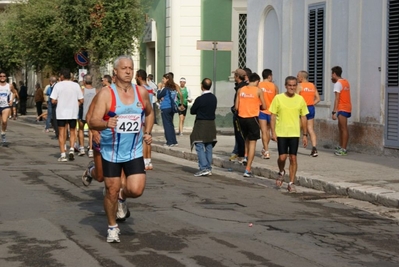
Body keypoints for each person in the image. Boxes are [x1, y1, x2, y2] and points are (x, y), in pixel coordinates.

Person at [88, 55, 154, 243]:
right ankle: (112, 226)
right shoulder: (106, 94)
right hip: (111, 151)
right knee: (111, 191)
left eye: (130, 68)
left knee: (136, 189)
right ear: (115, 72)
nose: (127, 71)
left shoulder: (141, 92)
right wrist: (106, 123)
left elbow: (149, 113)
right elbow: (93, 120)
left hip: (133, 150)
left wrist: (148, 131)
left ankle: (123, 197)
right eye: (124, 68)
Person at [269, 76, 309, 193]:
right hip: (281, 132)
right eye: (289, 85)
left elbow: (304, 117)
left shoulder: (300, 99)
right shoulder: (278, 98)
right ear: (286, 86)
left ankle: (291, 183)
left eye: (294, 85)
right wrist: (273, 132)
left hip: (294, 133)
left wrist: (305, 134)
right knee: (282, 157)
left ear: (296, 86)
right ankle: (281, 171)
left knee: (293, 158)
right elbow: (272, 116)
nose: (292, 87)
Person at [235, 73, 267, 177]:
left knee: (246, 139)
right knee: (253, 143)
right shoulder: (258, 90)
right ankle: (248, 169)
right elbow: (265, 105)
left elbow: (236, 107)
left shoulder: (241, 90)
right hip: (252, 118)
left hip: (241, 118)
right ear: (257, 81)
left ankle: (245, 156)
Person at [50, 69, 84, 162]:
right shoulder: (76, 85)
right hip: (73, 111)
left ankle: (63, 154)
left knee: (62, 132)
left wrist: (60, 101)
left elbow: (53, 100)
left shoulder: (58, 85)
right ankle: (72, 149)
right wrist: (76, 104)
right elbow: (81, 100)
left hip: (61, 112)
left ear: (61, 76)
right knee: (72, 130)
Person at [190, 78, 217, 177]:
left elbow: (192, 111)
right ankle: (208, 167)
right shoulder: (214, 98)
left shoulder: (200, 99)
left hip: (201, 123)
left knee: (199, 145)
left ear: (202, 86)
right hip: (211, 124)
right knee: (209, 146)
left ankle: (203, 167)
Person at [297, 70, 321, 157]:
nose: (297, 78)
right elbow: (318, 99)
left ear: (301, 77)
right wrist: (311, 103)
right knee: (310, 128)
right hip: (311, 108)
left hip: (302, 109)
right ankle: (314, 149)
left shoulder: (299, 86)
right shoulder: (312, 85)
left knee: (297, 129)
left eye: (297, 76)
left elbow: (295, 98)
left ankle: (292, 149)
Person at [157, 73, 184, 147]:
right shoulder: (173, 88)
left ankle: (169, 142)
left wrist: (159, 88)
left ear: (167, 79)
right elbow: (179, 95)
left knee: (167, 125)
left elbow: (159, 95)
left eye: (164, 79)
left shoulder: (165, 89)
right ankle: (174, 141)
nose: (162, 80)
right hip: (172, 108)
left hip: (165, 108)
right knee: (171, 124)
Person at [136, 69, 154, 170]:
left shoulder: (140, 89)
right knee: (148, 138)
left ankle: (143, 160)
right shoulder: (150, 88)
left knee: (143, 139)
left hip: (143, 115)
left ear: (139, 77)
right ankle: (148, 161)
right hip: (150, 115)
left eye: (136, 76)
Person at [331, 66, 351, 156]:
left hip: (342, 107)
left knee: (343, 128)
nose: (331, 76)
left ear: (334, 74)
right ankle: (341, 145)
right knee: (341, 128)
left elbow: (337, 98)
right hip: (347, 106)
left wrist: (334, 111)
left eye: (332, 74)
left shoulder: (338, 84)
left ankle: (343, 149)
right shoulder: (345, 81)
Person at [258, 69, 278, 159]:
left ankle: (266, 150)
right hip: (272, 112)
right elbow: (277, 99)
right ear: (269, 76)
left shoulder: (259, 85)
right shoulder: (274, 86)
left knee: (263, 131)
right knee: (268, 131)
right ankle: (265, 149)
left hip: (262, 110)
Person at [77, 74, 97, 158]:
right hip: (92, 114)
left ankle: (82, 148)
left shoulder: (82, 91)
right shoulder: (96, 91)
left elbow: (79, 101)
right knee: (91, 131)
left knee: (80, 130)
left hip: (83, 113)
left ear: (84, 82)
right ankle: (91, 150)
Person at [230, 69, 247, 163]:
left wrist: (234, 109)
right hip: (242, 113)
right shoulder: (242, 86)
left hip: (239, 114)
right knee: (240, 135)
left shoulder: (241, 88)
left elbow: (238, 104)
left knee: (240, 135)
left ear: (237, 76)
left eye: (235, 75)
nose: (234, 77)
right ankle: (241, 153)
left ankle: (241, 154)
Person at [0, 70, 13, 146]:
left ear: (6, 77)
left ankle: (3, 133)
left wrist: (11, 100)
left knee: (4, 121)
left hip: (5, 106)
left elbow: (14, 92)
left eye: (3, 76)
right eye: (0, 76)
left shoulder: (9, 85)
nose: (2, 77)